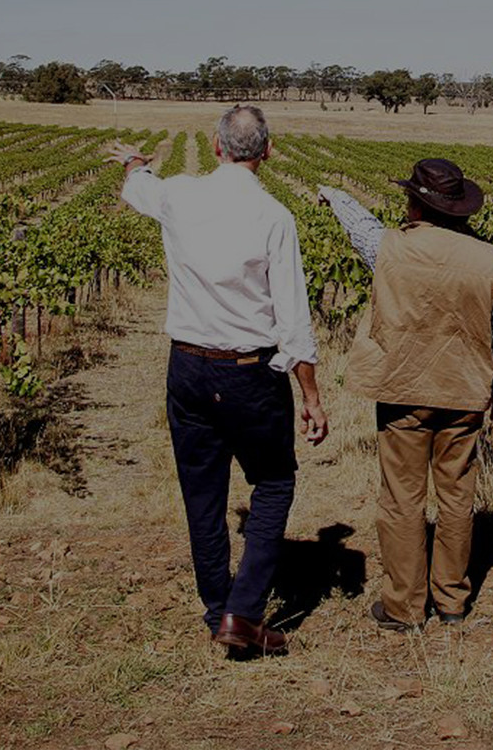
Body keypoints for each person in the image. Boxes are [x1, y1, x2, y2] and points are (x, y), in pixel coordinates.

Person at [108, 105, 328, 656]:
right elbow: (293, 318)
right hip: (250, 373)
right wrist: (312, 396)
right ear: (269, 152)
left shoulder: (179, 195)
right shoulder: (275, 217)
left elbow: (138, 186)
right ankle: (244, 613)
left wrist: (136, 160)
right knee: (274, 483)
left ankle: (217, 610)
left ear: (215, 146)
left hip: (186, 366)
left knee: (202, 494)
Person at [318, 159, 493, 632]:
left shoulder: (390, 247)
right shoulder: (487, 259)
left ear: (416, 203)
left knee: (402, 499)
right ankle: (452, 599)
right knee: (457, 496)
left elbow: (362, 229)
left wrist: (335, 196)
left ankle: (404, 607)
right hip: (465, 392)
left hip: (402, 391)